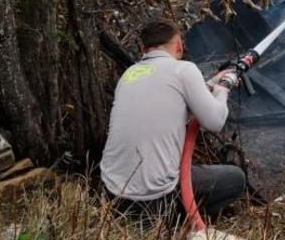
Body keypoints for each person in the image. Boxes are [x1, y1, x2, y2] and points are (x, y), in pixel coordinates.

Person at [100, 18, 245, 222]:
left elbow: (170, 99)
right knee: (236, 178)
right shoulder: (184, 69)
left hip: (112, 196)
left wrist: (212, 82)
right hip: (154, 199)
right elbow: (215, 121)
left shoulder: (129, 75)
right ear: (179, 46)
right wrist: (222, 89)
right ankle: (183, 221)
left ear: (144, 48)